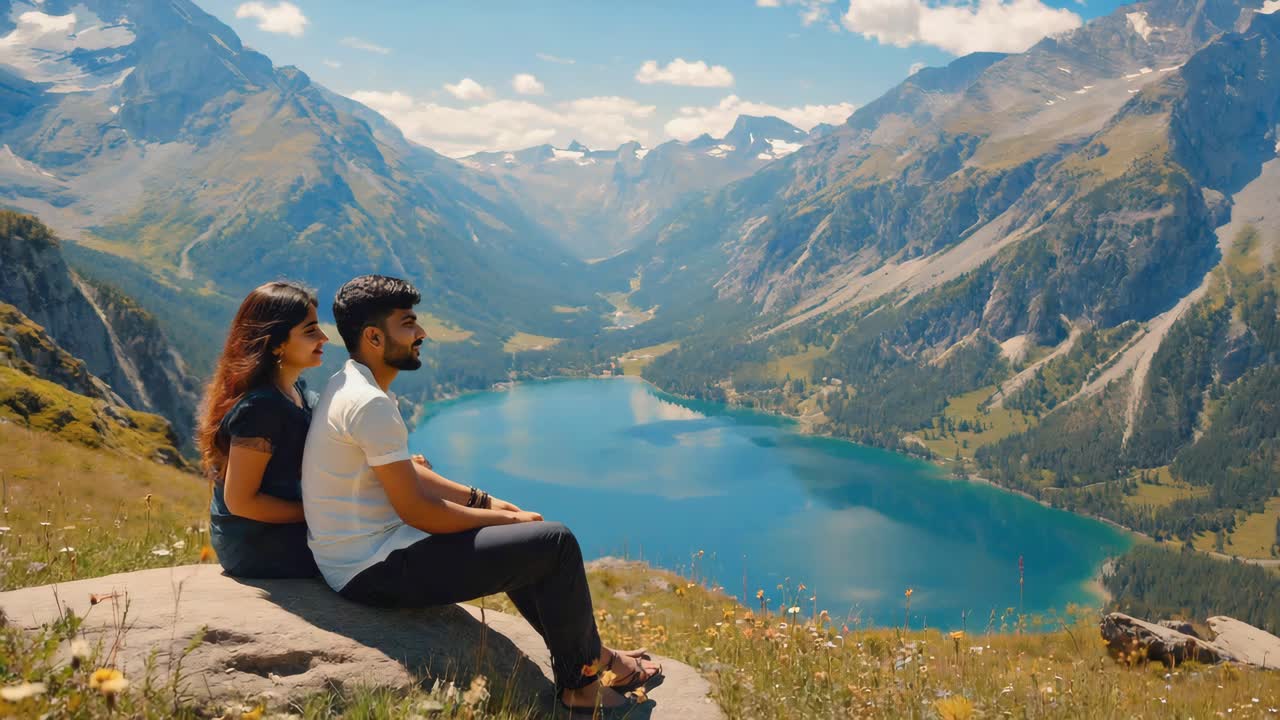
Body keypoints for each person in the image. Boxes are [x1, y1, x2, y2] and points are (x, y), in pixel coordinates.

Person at [302, 275, 661, 712]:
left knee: (532, 545)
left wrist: (485, 501)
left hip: (365, 553)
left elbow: (406, 476)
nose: (422, 334)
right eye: (409, 324)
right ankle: (582, 690)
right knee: (555, 544)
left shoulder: (353, 384)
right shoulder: (370, 404)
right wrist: (505, 520)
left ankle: (595, 659)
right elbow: (416, 508)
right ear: (374, 337)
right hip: (372, 569)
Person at [197, 281, 328, 578]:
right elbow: (241, 502)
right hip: (257, 544)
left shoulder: (294, 390)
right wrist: (320, 513)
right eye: (310, 331)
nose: (324, 337)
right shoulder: (260, 409)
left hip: (279, 530)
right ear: (276, 343)